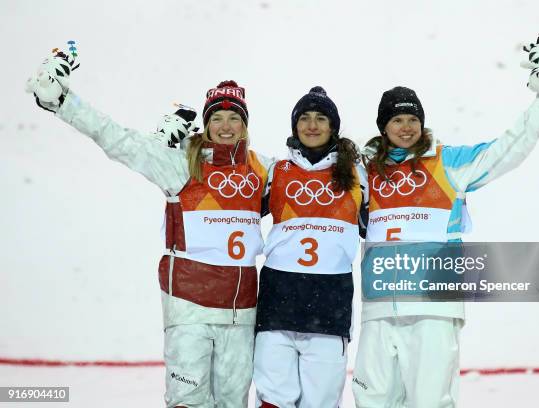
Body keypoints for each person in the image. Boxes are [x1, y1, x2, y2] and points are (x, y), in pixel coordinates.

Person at [27, 50, 271, 408]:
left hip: (241, 311)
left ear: (245, 124)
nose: (225, 126)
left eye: (233, 117)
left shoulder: (262, 169)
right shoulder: (180, 165)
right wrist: (62, 101)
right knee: (187, 402)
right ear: (205, 124)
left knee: (233, 404)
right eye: (216, 117)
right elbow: (118, 139)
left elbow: (312, 176)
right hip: (189, 307)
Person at [352, 72, 539, 405]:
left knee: (430, 401)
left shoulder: (450, 162)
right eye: (397, 119)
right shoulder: (365, 171)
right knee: (372, 400)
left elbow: (511, 145)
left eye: (413, 119)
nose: (406, 127)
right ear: (383, 126)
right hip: (378, 309)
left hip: (433, 309)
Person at [253, 87, 368, 408]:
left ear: (334, 127)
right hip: (277, 303)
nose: (312, 125)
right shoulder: (275, 171)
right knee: (273, 400)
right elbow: (228, 199)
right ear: (294, 126)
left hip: (330, 309)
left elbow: (386, 221)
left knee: (320, 404)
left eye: (321, 118)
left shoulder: (358, 175)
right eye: (304, 118)